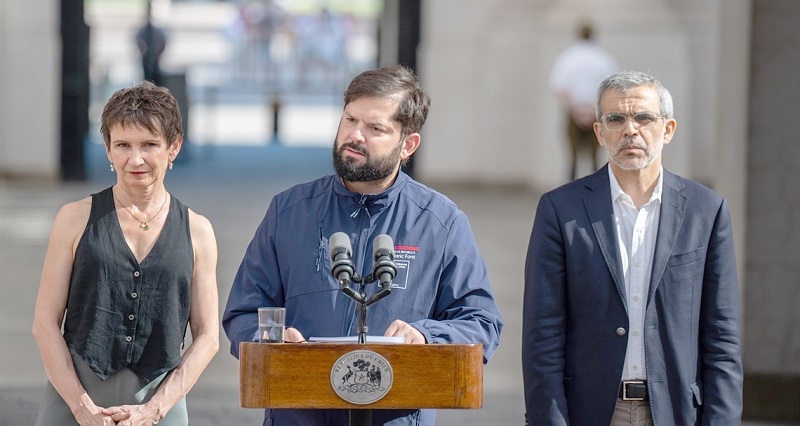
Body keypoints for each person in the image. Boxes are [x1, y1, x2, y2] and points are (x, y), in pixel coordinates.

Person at [223, 65, 503, 425]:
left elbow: (480, 322)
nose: (355, 135)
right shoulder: (288, 211)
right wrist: (271, 340)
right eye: (350, 119)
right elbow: (244, 311)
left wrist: (426, 335)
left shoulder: (441, 223)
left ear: (408, 145)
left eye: (375, 128)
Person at [522, 71, 742, 425]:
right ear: (599, 132)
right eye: (616, 118)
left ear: (667, 129)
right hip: (590, 412)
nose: (630, 129)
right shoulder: (560, 210)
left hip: (677, 411)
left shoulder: (707, 211)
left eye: (644, 117)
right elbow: (542, 336)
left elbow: (722, 337)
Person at [32, 81, 220, 425]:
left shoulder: (199, 231)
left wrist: (156, 409)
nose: (136, 159)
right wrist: (80, 407)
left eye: (149, 145)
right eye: (122, 145)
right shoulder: (73, 219)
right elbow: (44, 323)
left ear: (173, 147)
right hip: (74, 400)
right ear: (107, 149)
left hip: (160, 401)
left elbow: (207, 338)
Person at [548, 23, 617, 181]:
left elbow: (559, 87)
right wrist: (594, 111)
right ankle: (596, 192)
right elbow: (612, 87)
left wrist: (576, 110)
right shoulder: (603, 58)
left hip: (574, 111)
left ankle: (570, 192)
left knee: (572, 156)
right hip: (596, 112)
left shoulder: (568, 57)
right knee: (595, 157)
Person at [135, 1, 168, 86]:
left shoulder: (156, 30)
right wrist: (143, 52)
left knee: (156, 82)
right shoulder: (144, 30)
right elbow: (138, 41)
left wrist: (157, 55)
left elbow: (163, 42)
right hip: (146, 58)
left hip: (154, 59)